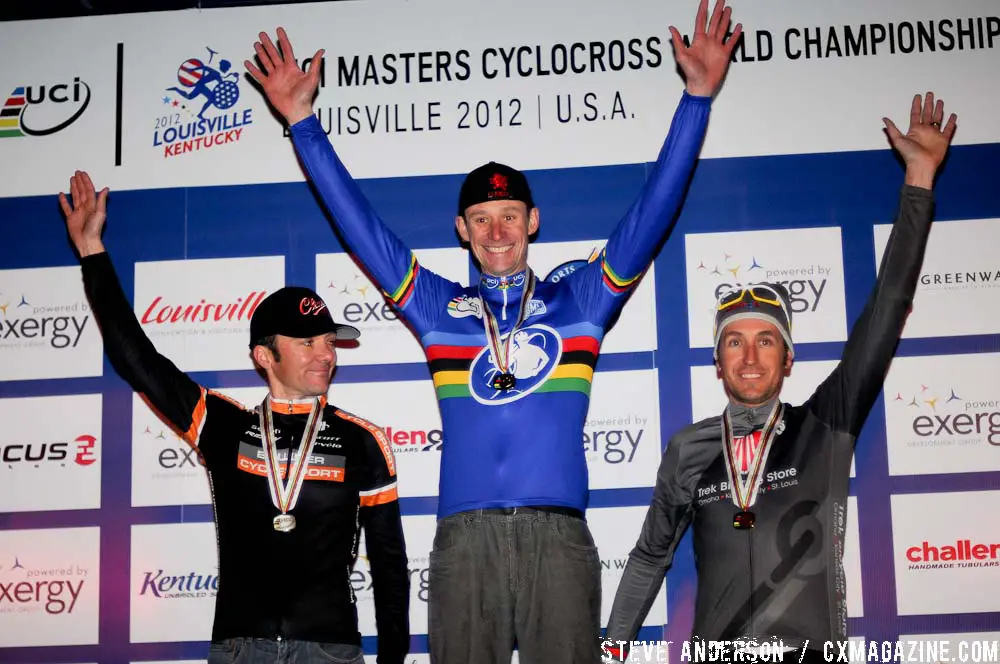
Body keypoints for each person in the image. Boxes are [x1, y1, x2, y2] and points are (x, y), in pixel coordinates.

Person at [245, 0, 741, 660]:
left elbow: (653, 211)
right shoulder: (436, 307)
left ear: (533, 221)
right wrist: (303, 123)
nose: (497, 231)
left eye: (509, 215)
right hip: (465, 540)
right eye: (481, 218)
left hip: (559, 539)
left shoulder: (579, 301)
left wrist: (698, 99)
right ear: (461, 230)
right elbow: (361, 227)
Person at [602, 92, 958, 663]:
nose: (749, 357)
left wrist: (918, 178)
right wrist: (614, 648)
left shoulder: (827, 422)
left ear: (787, 358)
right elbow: (649, 557)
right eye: (734, 343)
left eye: (766, 341)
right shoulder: (689, 448)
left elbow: (888, 307)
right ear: (717, 364)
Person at [59, 171, 411, 664]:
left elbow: (391, 567)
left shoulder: (363, 441)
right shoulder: (222, 425)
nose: (325, 354)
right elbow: (136, 359)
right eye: (307, 342)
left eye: (329, 342)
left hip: (331, 650)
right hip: (240, 648)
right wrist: (92, 252)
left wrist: (393, 658)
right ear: (264, 356)